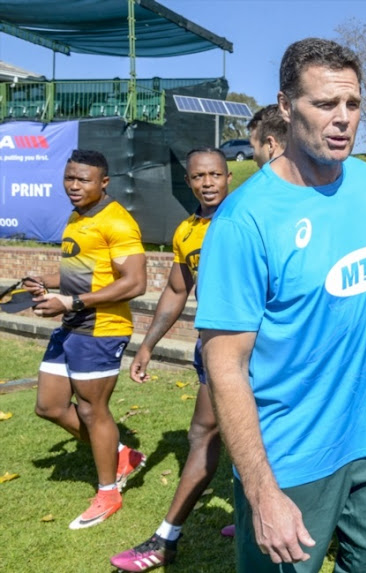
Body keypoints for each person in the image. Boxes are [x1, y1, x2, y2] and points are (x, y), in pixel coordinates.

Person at [194, 38, 366, 572]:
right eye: (324, 105)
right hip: (291, 458)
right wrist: (263, 492)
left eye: (353, 104)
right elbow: (225, 366)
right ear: (287, 107)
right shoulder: (243, 222)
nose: (342, 120)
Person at [110, 148, 237, 571]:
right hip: (210, 345)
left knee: (205, 433)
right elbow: (177, 291)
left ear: (229, 176)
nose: (207, 183)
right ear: (188, 181)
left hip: (251, 348)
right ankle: (254, 514)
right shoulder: (186, 230)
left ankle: (166, 538)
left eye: (215, 174)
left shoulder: (248, 218)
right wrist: (147, 345)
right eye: (199, 176)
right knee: (219, 434)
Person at [24, 149, 147, 529]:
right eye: (70, 178)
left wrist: (71, 301)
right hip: (74, 323)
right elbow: (82, 273)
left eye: (84, 180)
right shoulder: (79, 216)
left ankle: (108, 492)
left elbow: (135, 282)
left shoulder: (118, 222)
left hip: (102, 328)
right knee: (49, 405)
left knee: (94, 411)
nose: (74, 186)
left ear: (104, 183)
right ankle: (121, 454)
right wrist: (45, 282)